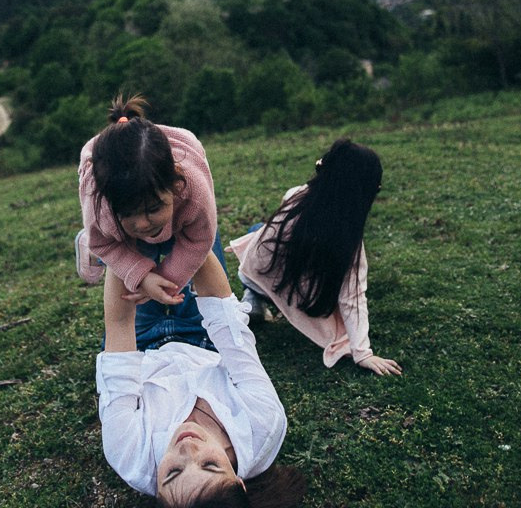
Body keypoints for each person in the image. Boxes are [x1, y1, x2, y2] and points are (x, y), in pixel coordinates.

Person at [97, 240, 307, 506]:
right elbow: (226, 322)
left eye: (173, 472)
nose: (187, 449)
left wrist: (116, 248)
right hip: (205, 336)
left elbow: (119, 325)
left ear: (158, 494)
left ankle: (95, 246)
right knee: (190, 226)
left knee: (134, 233)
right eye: (209, 464)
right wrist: (191, 235)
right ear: (239, 483)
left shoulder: (130, 456)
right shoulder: (263, 426)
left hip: (139, 348)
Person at [228, 139, 402, 376]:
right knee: (330, 292)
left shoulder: (295, 196)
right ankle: (259, 299)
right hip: (292, 291)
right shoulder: (349, 241)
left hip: (254, 274)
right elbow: (352, 297)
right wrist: (364, 353)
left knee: (258, 228)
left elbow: (272, 232)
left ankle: (254, 298)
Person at [76, 94, 217, 306]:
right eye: (128, 212)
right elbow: (104, 243)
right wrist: (142, 277)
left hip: (176, 180)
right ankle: (86, 241)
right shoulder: (100, 208)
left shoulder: (193, 190)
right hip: (107, 216)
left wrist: (168, 280)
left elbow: (199, 239)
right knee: (126, 250)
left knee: (204, 271)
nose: (142, 223)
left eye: (153, 208)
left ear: (174, 184)